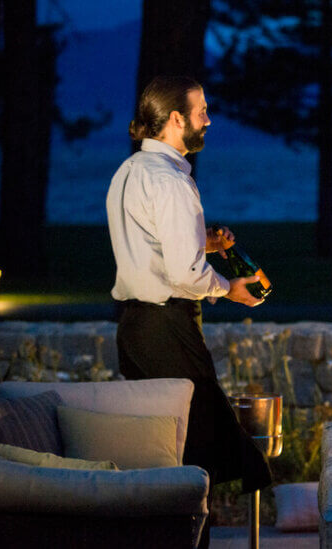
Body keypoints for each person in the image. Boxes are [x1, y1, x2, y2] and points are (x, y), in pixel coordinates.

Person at [106, 75, 272, 545]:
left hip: (134, 329)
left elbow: (150, 245)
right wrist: (230, 289)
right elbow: (184, 275)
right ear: (176, 119)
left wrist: (205, 243)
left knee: (162, 451)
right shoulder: (173, 182)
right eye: (202, 111)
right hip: (167, 327)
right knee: (194, 452)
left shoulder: (129, 172)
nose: (209, 119)